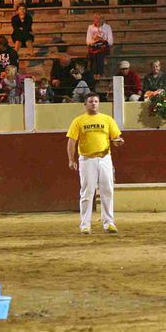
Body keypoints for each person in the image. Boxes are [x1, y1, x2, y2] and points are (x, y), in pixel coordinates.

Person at [66, 92, 124, 234]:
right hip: (87, 159)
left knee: (107, 190)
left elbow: (116, 138)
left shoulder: (107, 120)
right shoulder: (78, 121)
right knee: (87, 191)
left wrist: (119, 142)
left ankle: (109, 223)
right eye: (91, 101)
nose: (93, 103)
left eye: (96, 101)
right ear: (85, 104)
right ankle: (85, 224)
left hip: (104, 158)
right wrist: (71, 159)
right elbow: (71, 141)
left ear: (99, 103)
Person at [86, 12, 114, 78]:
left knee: (99, 54)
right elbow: (88, 41)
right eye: (95, 18)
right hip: (94, 47)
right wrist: (94, 41)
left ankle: (98, 73)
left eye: (99, 18)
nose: (97, 20)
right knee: (93, 54)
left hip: (103, 47)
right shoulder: (90, 27)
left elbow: (110, 42)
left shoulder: (107, 27)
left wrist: (101, 40)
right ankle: (94, 73)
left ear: (103, 19)